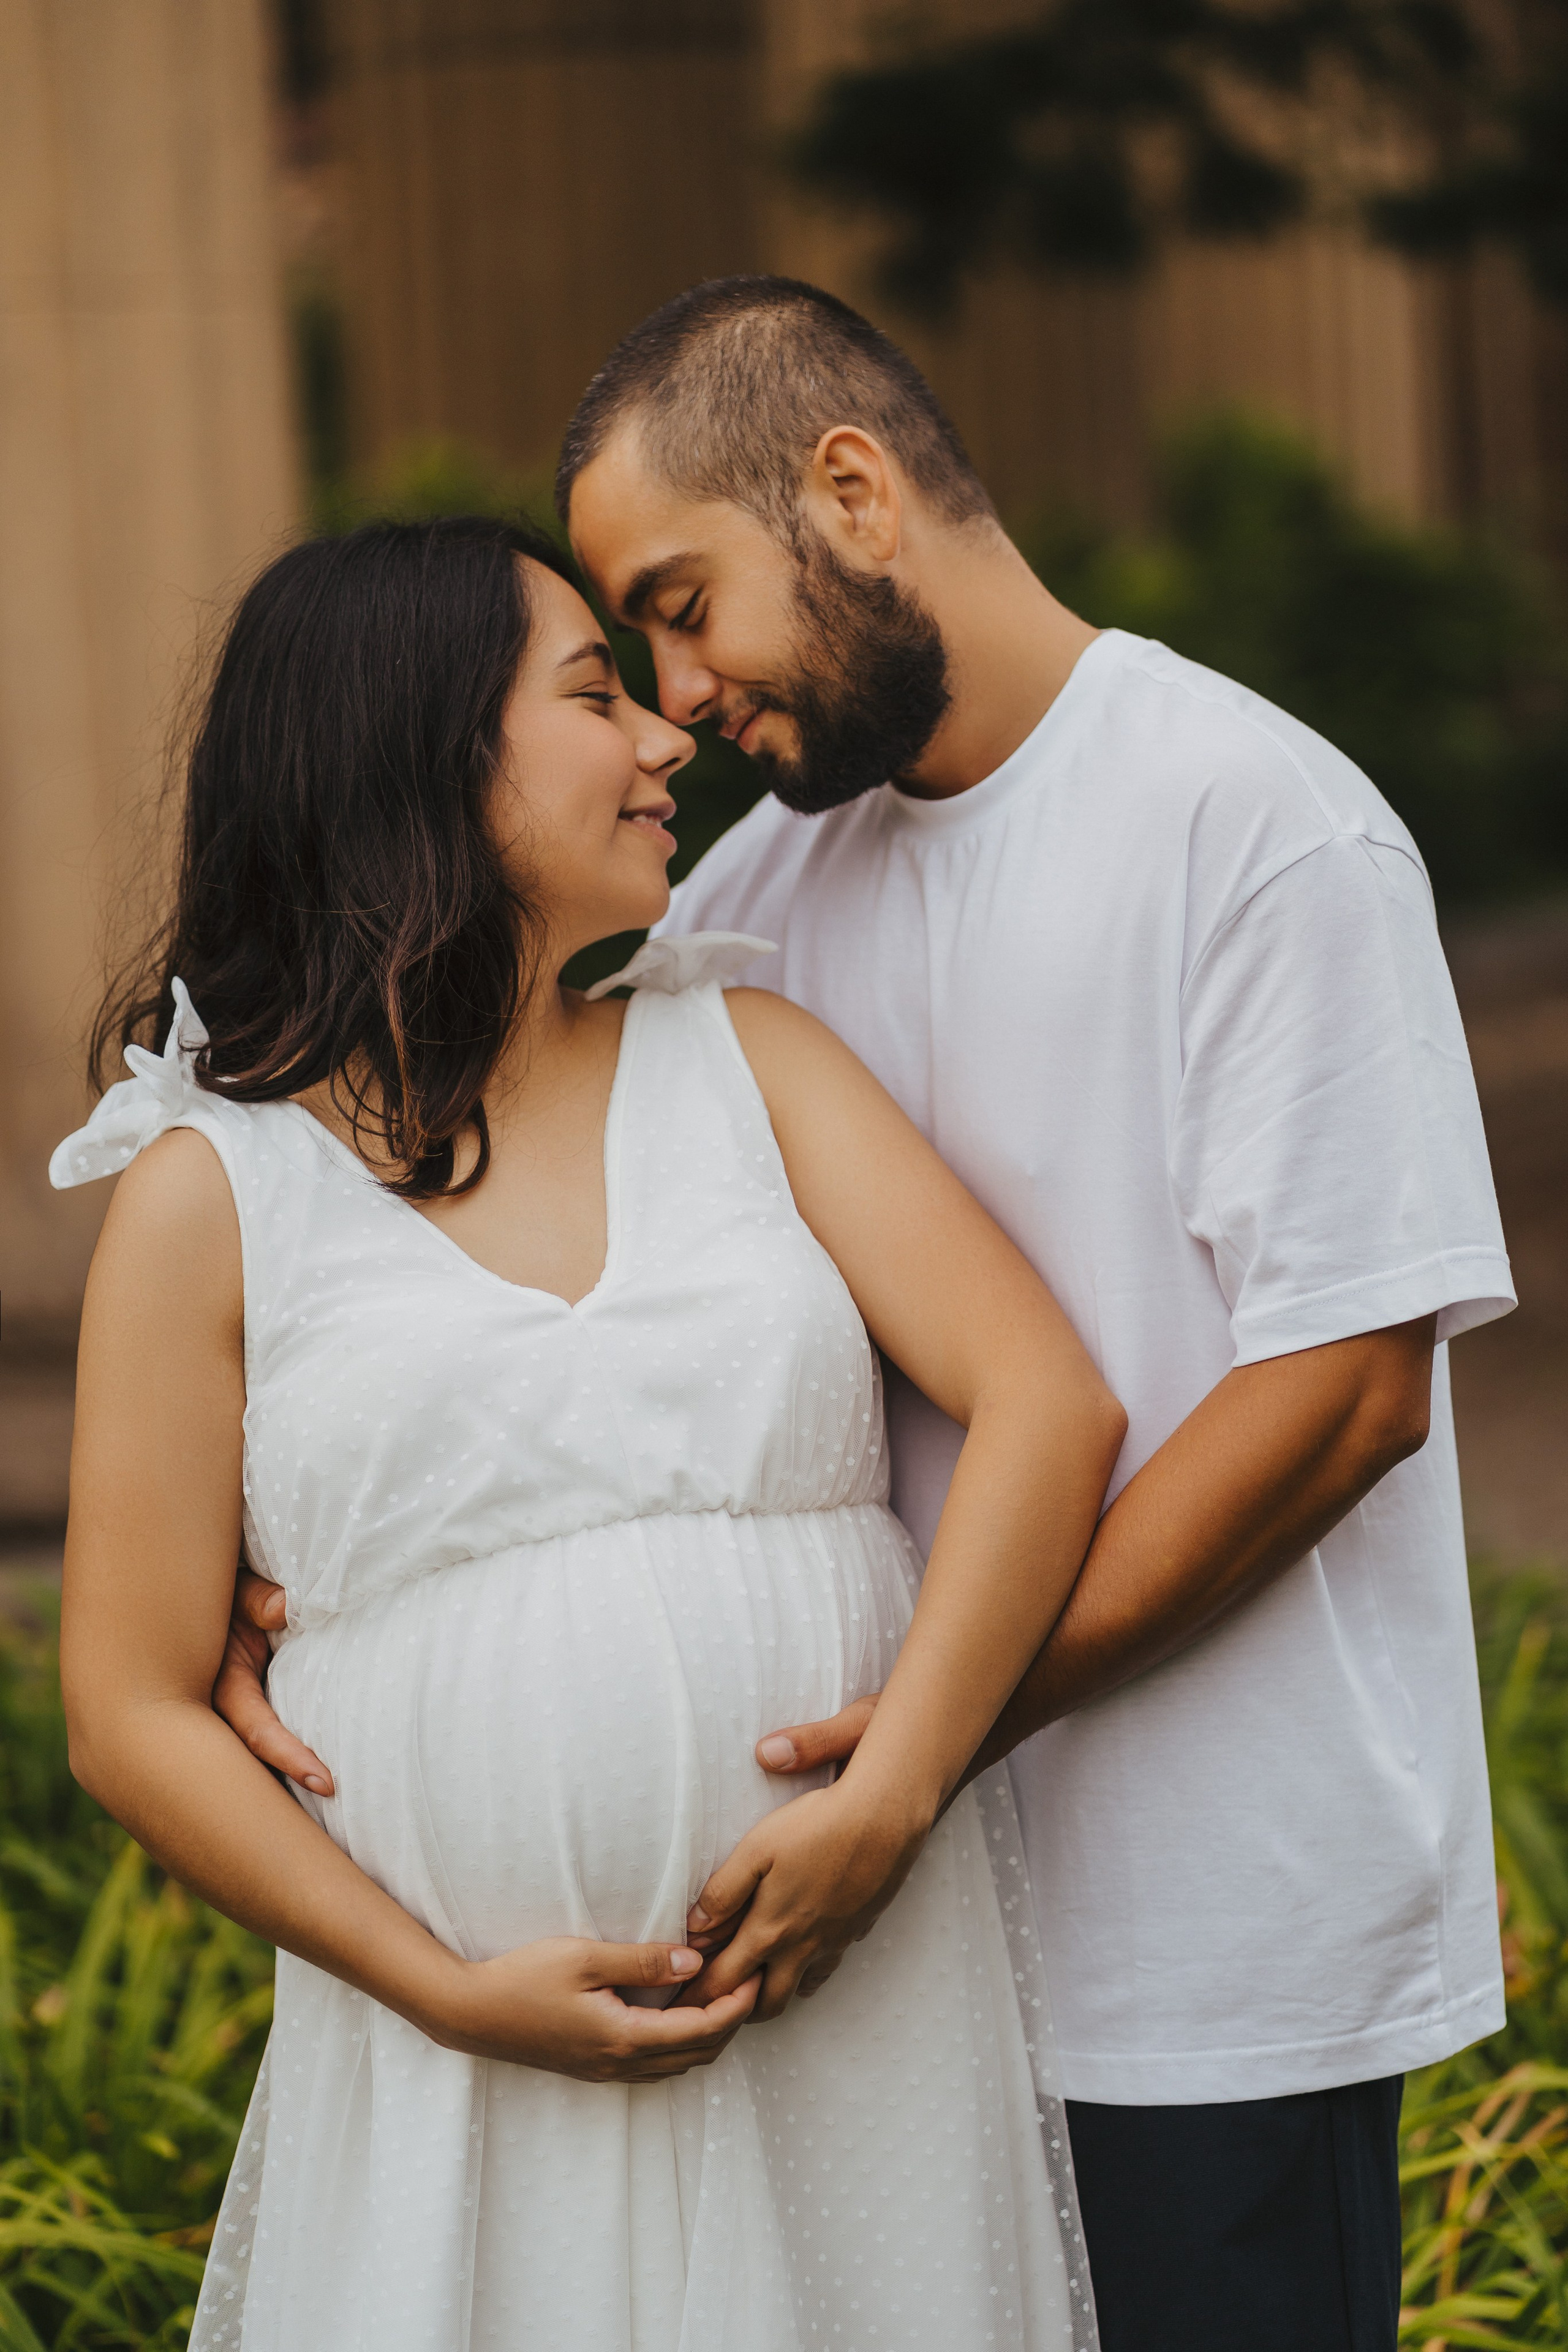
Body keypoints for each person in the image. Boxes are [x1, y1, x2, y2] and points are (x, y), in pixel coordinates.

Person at [548, 277, 1507, 2351]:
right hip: (878, 1976)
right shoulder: (743, 916)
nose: (677, 699)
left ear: (851, 491)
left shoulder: (1257, 823)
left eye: (685, 608)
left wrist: (921, 1750)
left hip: (1211, 1958)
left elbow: (1347, 1395)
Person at [53, 516, 1123, 2351]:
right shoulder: (210, 1197)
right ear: (420, 761)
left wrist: (892, 1796)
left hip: (857, 1993)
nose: (664, 736)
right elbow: (129, 1708)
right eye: (590, 695)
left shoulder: (753, 1061)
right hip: (472, 2067)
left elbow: (1048, 1401)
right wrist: (438, 1990)